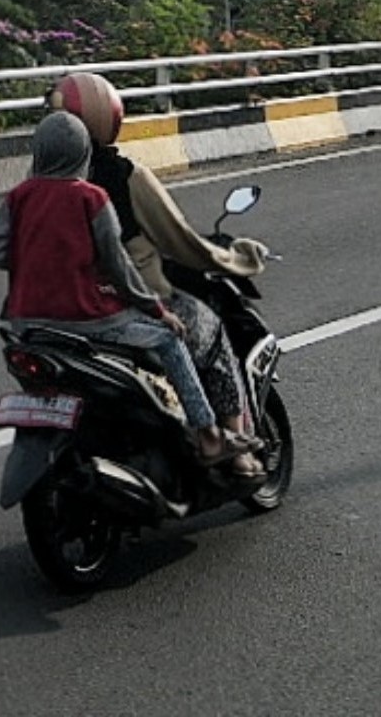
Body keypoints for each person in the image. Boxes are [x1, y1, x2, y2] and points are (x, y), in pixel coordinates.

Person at [0, 108, 252, 470]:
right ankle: (208, 435)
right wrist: (158, 311)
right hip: (86, 318)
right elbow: (120, 267)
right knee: (169, 340)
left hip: (28, 323)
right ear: (82, 153)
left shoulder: (17, 197)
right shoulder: (92, 198)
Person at [53, 67, 268, 454]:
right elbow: (181, 241)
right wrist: (240, 258)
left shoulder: (38, 185)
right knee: (212, 333)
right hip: (126, 307)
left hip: (59, 315)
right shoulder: (123, 177)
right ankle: (234, 452)